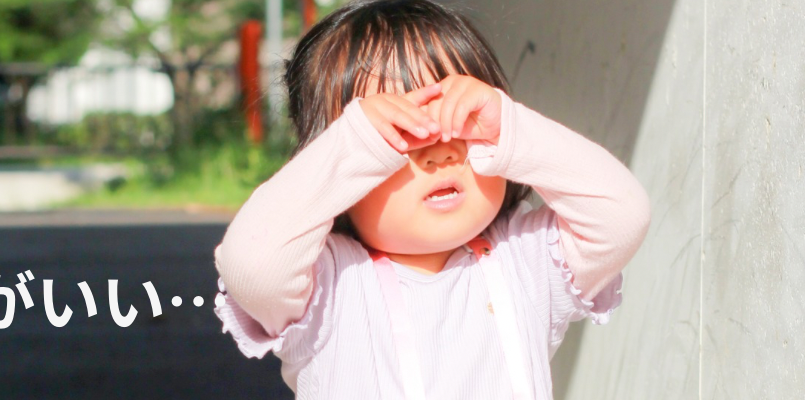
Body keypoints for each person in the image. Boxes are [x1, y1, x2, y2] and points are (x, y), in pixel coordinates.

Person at [212, 0, 651, 398]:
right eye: (398, 136)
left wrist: (508, 128)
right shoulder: (328, 285)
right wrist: (351, 147)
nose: (439, 151)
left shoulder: (526, 261)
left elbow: (620, 217)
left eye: (459, 121)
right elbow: (253, 265)